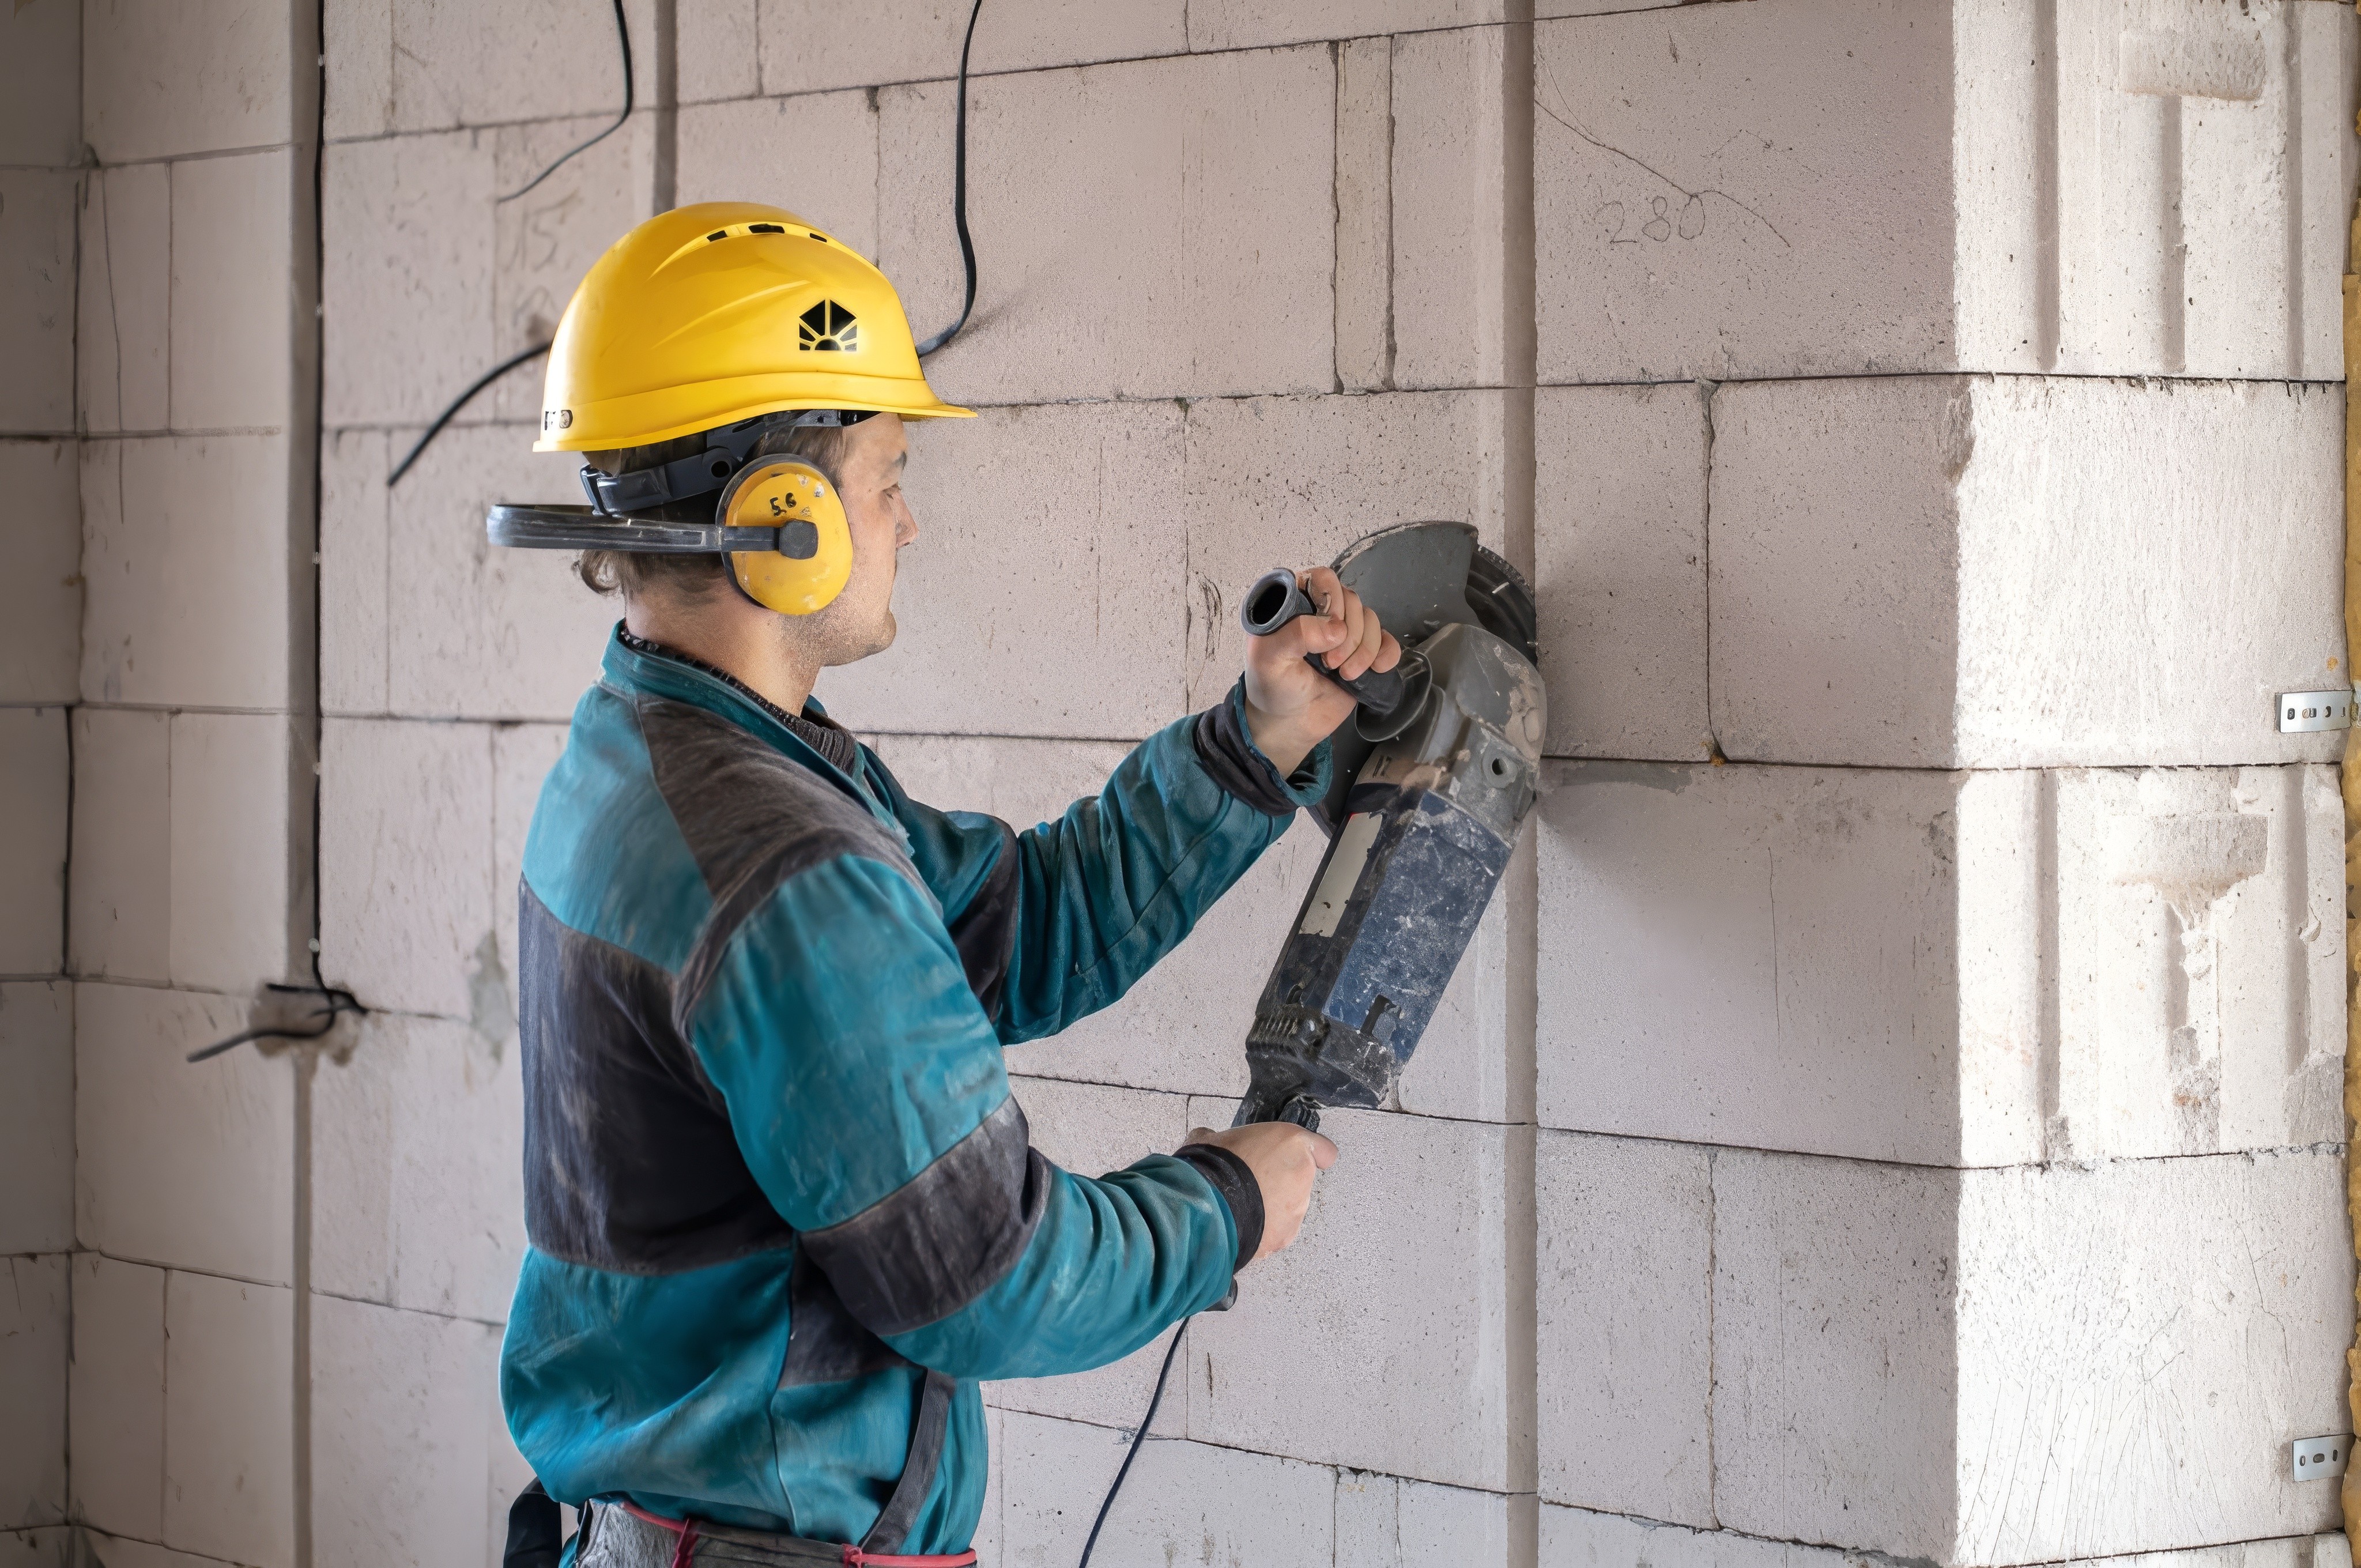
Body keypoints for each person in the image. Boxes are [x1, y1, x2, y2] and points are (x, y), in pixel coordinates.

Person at [490, 203, 1398, 1567]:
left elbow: (1010, 933)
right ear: (782, 520)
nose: (906, 521)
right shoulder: (775, 858)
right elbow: (984, 1273)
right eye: (885, 476)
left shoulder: (654, 755)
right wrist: (1224, 1206)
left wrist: (1252, 740)